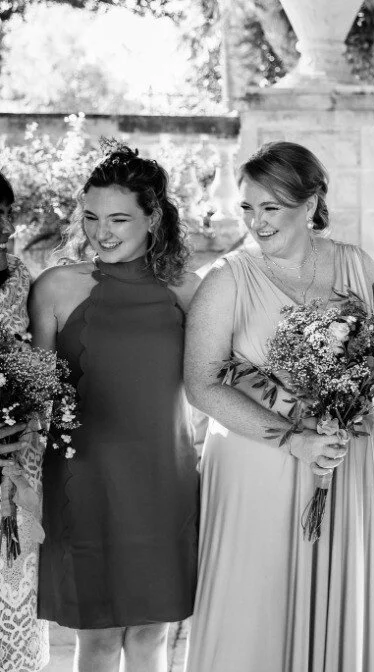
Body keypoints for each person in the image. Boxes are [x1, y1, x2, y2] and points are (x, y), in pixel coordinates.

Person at [184, 141, 374, 671]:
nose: (256, 222)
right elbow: (201, 385)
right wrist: (294, 438)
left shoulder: (355, 265)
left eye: (271, 208)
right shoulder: (227, 279)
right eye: (248, 208)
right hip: (259, 466)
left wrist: (349, 403)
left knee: (342, 598)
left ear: (310, 205)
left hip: (345, 461)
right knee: (255, 608)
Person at [29, 146, 201, 672]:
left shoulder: (188, 290)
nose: (102, 232)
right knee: (98, 639)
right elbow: (33, 390)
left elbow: (215, 380)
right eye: (91, 217)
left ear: (153, 217)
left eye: (119, 218)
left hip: (162, 479)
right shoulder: (56, 287)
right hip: (85, 481)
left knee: (153, 634)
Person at [0, 171, 49, 671]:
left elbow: (43, 371)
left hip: (18, 456)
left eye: (3, 211)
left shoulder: (27, 284)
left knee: (14, 584)